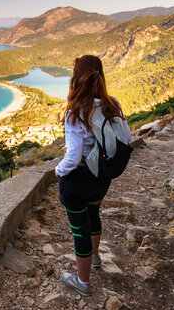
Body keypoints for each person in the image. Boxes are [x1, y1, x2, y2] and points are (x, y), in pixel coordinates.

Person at [55, 55, 131, 296]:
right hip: (102, 177)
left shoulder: (75, 111)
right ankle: (95, 258)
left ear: (77, 79)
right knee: (94, 214)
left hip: (77, 181)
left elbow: (74, 156)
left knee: (80, 230)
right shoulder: (113, 104)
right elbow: (126, 138)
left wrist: (59, 171)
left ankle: (83, 282)